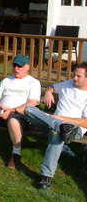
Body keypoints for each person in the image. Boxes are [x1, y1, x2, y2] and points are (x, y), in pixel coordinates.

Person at [24, 62, 87, 190]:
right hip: (52, 122)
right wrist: (48, 91)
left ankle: (46, 177)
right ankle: (60, 127)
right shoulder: (67, 84)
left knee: (56, 133)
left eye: (78, 76)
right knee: (29, 110)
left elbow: (86, 122)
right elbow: (51, 86)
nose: (74, 78)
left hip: (74, 129)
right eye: (74, 75)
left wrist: (61, 119)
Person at [0, 54, 41, 169]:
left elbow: (32, 103)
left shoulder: (33, 83)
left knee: (13, 122)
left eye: (19, 66)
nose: (16, 68)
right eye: (14, 65)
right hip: (0, 113)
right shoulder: (6, 81)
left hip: (20, 115)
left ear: (27, 67)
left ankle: (16, 154)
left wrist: (12, 111)